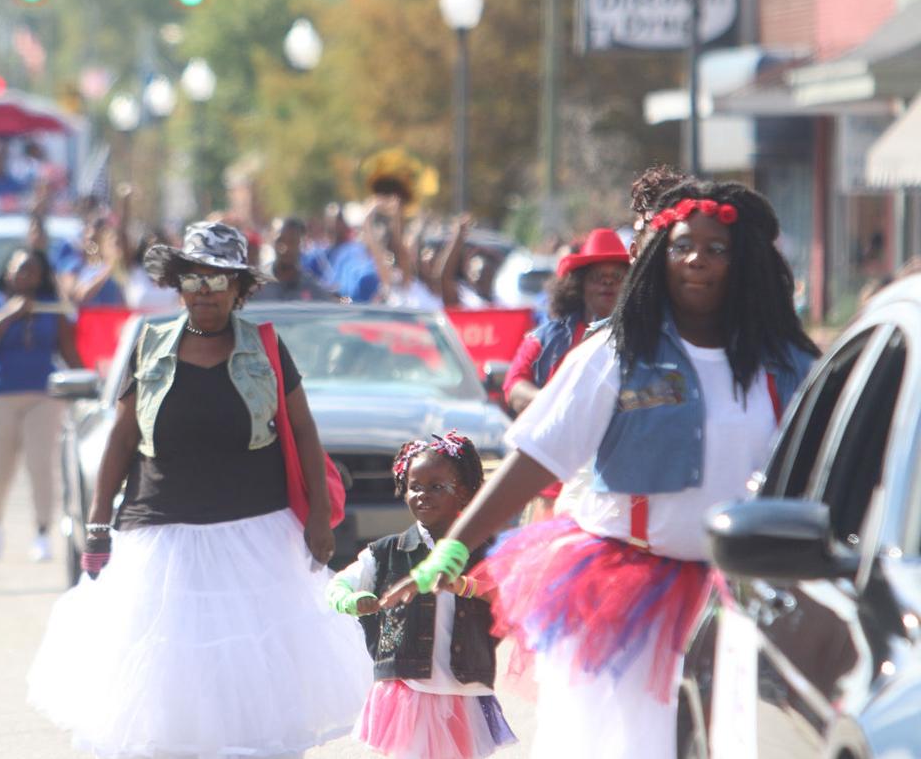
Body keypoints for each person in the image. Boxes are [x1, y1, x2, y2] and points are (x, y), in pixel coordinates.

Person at [380, 180, 821, 759]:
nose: (697, 259)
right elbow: (537, 456)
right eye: (683, 245)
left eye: (717, 249)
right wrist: (453, 550)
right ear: (659, 256)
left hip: (751, 596)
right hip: (632, 598)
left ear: (746, 261)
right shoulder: (616, 352)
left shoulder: (789, 362)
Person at [27, 221, 370, 758]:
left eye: (218, 280)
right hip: (160, 536)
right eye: (193, 279)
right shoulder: (150, 345)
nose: (204, 292)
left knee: (251, 674)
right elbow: (121, 438)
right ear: (178, 284)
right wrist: (97, 524)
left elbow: (303, 430)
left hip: (255, 534)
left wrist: (319, 517)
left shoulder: (266, 348)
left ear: (239, 289)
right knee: (167, 674)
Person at [327, 432, 516, 759]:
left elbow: (509, 599)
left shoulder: (485, 553)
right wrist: (351, 600)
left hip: (462, 691)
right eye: (415, 487)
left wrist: (465, 585)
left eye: (436, 486)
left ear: (464, 492)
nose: (423, 495)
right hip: (407, 691)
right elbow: (338, 585)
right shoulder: (387, 552)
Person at [0, 248, 82, 562]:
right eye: (20, 269)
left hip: (43, 395)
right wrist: (10, 313)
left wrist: (87, 383)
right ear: (8, 272)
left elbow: (68, 349)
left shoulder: (52, 307)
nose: (26, 276)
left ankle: (43, 532)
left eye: (32, 270)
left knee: (41, 465)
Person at [503, 228, 630, 417]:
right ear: (580, 285)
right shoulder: (547, 338)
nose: (608, 283)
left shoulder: (646, 336)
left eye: (617, 277)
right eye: (598, 277)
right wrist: (555, 403)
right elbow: (514, 386)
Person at [250, 216, 335, 302]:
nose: (286, 248)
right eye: (281, 241)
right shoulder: (255, 286)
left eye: (292, 242)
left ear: (302, 245)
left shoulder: (313, 291)